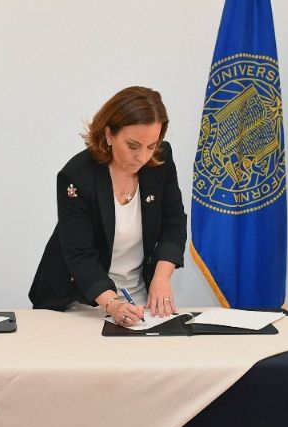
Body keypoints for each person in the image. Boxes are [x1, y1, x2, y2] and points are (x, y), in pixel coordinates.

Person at [29, 86, 187, 325]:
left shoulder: (160, 162)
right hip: (79, 302)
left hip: (137, 300)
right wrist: (112, 304)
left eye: (151, 145)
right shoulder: (77, 176)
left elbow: (173, 221)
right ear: (109, 135)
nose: (142, 156)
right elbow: (80, 256)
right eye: (133, 146)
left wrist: (162, 277)